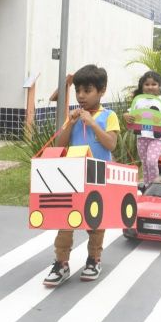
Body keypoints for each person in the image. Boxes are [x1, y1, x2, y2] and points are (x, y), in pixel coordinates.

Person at [43, 65, 120, 287]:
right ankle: (61, 262)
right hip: (73, 176)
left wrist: (93, 123)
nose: (81, 96)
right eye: (78, 91)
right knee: (66, 219)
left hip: (99, 176)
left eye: (87, 91)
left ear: (101, 91)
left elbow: (111, 143)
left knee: (96, 221)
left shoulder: (109, 115)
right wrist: (73, 122)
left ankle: (94, 259)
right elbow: (60, 144)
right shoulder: (73, 116)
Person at [123, 71, 161, 184]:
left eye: (154, 84)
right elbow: (128, 113)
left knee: (152, 161)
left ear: (160, 86)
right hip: (141, 137)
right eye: (147, 84)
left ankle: (154, 184)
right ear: (142, 86)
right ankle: (147, 186)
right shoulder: (138, 100)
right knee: (145, 163)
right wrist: (126, 116)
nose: (150, 87)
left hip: (157, 137)